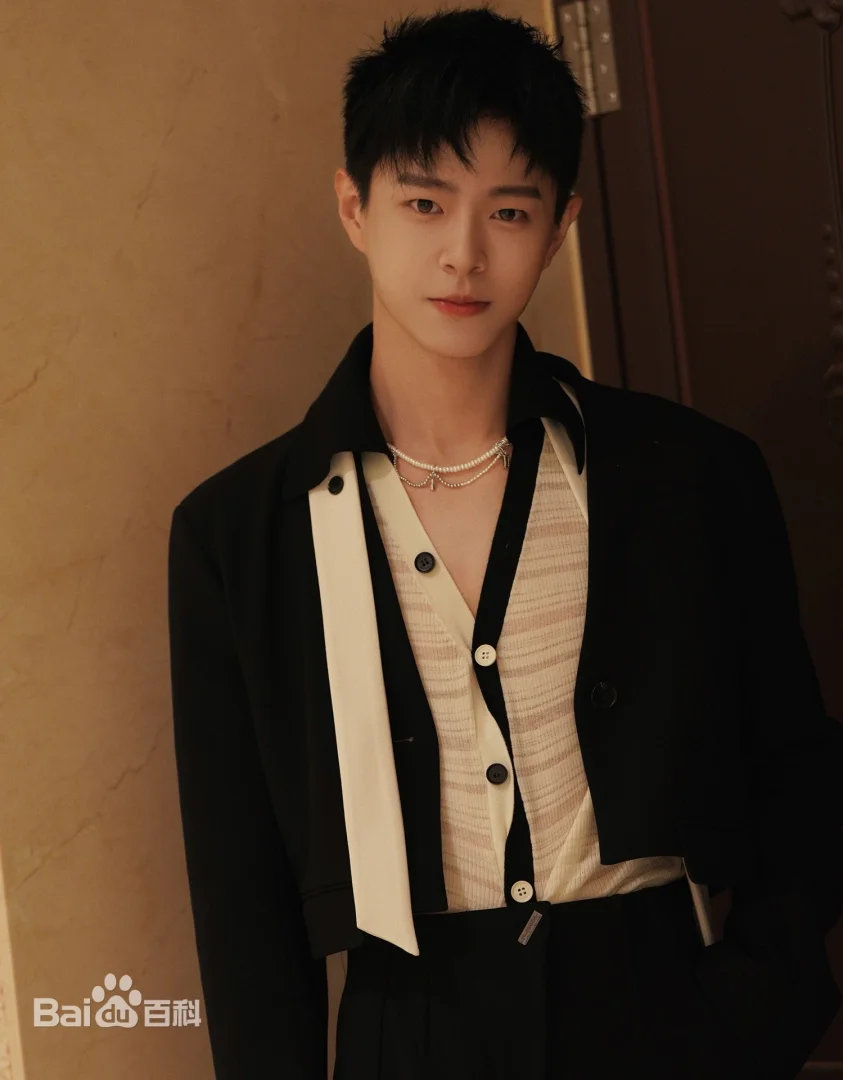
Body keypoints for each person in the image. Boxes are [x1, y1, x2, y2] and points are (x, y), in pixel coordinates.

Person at [166, 5, 843, 1078]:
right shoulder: (239, 534)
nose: (464, 254)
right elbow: (241, 904)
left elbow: (798, 779)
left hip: (661, 1007)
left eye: (510, 210)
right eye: (424, 202)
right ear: (354, 206)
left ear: (560, 223)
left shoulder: (690, 477)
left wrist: (756, 1008)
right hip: (409, 1029)